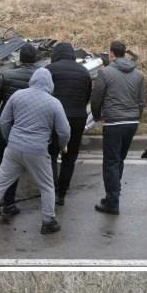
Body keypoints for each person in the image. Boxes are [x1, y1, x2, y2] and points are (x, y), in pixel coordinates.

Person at [0, 69, 70, 235]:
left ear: (33, 80)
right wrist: (63, 146)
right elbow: (64, 131)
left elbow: (4, 121)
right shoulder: (54, 103)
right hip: (37, 150)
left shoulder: (17, 95)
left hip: (14, 147)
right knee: (47, 186)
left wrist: (9, 140)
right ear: (50, 84)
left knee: (0, 181)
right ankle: (48, 221)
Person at [0, 45, 43, 216]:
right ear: (36, 59)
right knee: (27, 163)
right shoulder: (41, 77)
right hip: (32, 126)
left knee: (4, 161)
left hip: (8, 125)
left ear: (20, 59)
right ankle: (10, 204)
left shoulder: (7, 76)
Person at [90, 41, 145, 215]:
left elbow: (97, 97)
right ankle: (113, 195)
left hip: (114, 121)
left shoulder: (105, 73)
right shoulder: (138, 74)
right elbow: (141, 101)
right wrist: (136, 116)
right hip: (131, 121)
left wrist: (97, 114)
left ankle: (112, 201)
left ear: (112, 54)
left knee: (111, 162)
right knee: (119, 159)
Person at [45, 42, 94, 206]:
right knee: (70, 156)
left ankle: (51, 190)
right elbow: (87, 96)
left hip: (54, 117)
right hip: (78, 117)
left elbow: (43, 95)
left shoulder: (50, 70)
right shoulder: (84, 71)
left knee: (50, 154)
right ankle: (62, 193)